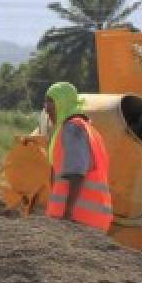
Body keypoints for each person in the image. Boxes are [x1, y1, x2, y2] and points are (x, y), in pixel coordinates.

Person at [44, 82, 113, 231]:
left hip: (78, 219)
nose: (46, 107)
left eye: (51, 101)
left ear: (63, 102)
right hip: (91, 218)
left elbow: (76, 173)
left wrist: (67, 215)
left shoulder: (72, 128)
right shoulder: (88, 129)